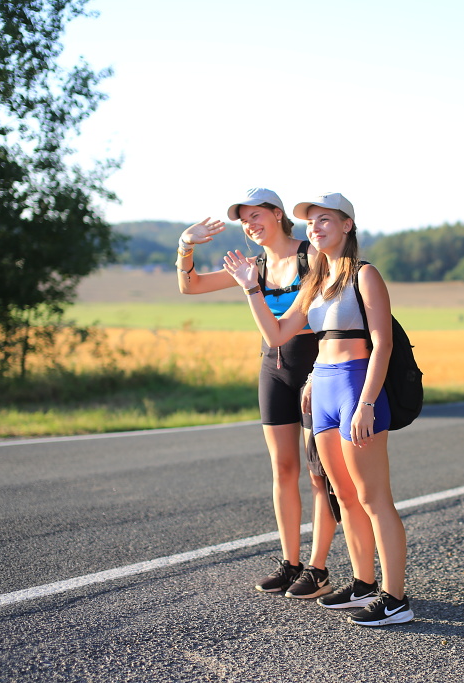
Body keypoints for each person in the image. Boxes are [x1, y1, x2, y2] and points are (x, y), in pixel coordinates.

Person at [223, 192, 414, 627]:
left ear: (347, 225)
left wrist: (367, 402)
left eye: (325, 220)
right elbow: (276, 335)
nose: (316, 228)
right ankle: (364, 583)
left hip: (355, 385)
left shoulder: (366, 276)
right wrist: (251, 286)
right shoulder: (314, 281)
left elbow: (382, 344)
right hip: (322, 388)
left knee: (372, 497)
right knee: (342, 495)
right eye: (311, 223)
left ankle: (395, 598)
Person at [176, 188, 337, 599]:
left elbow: (296, 322)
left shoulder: (311, 256)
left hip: (313, 367)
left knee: (320, 475)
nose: (249, 225)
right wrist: (185, 245)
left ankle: (318, 569)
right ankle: (291, 563)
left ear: (277, 214)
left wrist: (250, 288)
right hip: (273, 368)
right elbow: (190, 287)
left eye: (255, 216)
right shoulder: (254, 266)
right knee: (283, 470)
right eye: (243, 220)